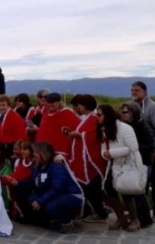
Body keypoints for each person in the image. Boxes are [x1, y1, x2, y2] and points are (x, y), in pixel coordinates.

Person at [13, 142, 83, 233]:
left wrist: (41, 200)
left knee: (51, 206)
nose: (33, 154)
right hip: (55, 195)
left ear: (43, 153)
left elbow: (57, 188)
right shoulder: (38, 166)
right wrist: (18, 183)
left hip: (69, 195)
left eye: (36, 152)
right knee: (30, 198)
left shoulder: (56, 166)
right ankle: (49, 220)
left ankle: (67, 222)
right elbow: (32, 182)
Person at [99, 104, 145, 232]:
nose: (98, 117)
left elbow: (133, 147)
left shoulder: (125, 128)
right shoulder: (105, 129)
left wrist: (112, 153)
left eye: (100, 114)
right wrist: (105, 154)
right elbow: (104, 147)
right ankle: (121, 218)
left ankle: (135, 220)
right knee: (109, 189)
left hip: (128, 164)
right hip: (114, 165)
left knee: (127, 192)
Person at [67, 94, 108, 223]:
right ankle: (92, 211)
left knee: (93, 188)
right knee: (88, 188)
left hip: (91, 160)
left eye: (77, 106)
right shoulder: (87, 119)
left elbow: (94, 136)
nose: (75, 108)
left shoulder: (94, 118)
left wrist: (79, 135)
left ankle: (100, 212)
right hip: (83, 159)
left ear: (84, 106)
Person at [119, 101, 155, 227]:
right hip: (130, 163)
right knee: (130, 191)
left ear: (133, 113)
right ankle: (136, 217)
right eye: (121, 112)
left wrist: (132, 147)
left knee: (138, 192)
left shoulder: (142, 127)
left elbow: (150, 146)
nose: (122, 115)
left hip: (141, 163)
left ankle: (144, 219)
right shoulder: (126, 126)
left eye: (125, 112)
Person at [131, 81, 155, 219]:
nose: (133, 92)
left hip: (153, 150)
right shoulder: (132, 107)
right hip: (138, 151)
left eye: (137, 90)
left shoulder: (153, 108)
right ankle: (141, 211)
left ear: (144, 91)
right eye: (132, 90)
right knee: (141, 181)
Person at [35, 93, 79, 158]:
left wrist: (64, 153)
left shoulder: (67, 113)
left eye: (53, 102)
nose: (51, 105)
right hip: (43, 151)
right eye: (49, 102)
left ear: (59, 102)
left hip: (60, 153)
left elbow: (70, 134)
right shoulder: (45, 114)